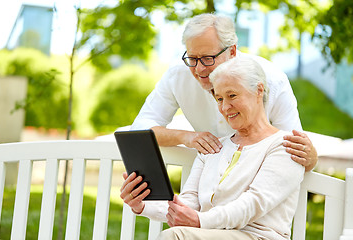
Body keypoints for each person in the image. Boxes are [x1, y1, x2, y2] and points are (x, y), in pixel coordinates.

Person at [121, 56, 305, 240]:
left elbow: (253, 203)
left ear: (258, 90)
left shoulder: (286, 146)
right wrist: (142, 204)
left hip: (258, 236)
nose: (225, 107)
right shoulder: (215, 146)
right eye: (219, 99)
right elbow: (189, 202)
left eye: (232, 95)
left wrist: (200, 221)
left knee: (174, 236)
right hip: (209, 234)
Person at [130, 13, 317, 171]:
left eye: (208, 58)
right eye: (193, 58)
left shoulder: (272, 79)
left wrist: (311, 157)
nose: (199, 69)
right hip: (209, 189)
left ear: (232, 51)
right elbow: (138, 131)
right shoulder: (177, 76)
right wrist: (186, 137)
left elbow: (298, 149)